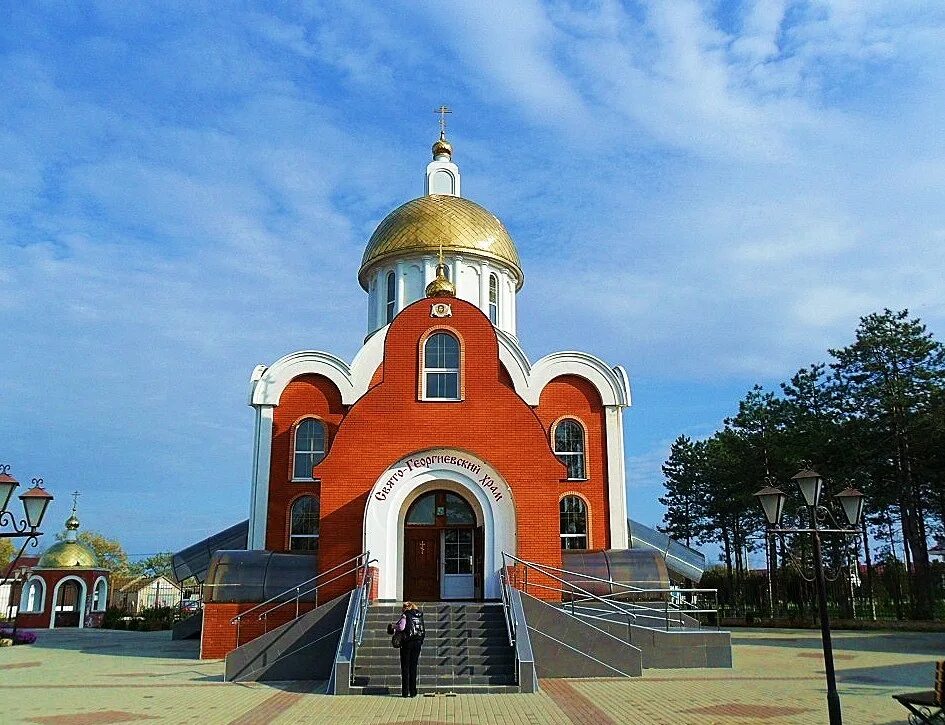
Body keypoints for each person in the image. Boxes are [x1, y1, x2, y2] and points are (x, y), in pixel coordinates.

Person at [394, 601, 425, 697]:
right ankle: (413, 692)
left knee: (405, 667)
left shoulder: (405, 615)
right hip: (418, 642)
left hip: (407, 642)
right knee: (413, 667)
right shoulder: (419, 615)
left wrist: (394, 626)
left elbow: (401, 627)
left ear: (405, 608)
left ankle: (405, 692)